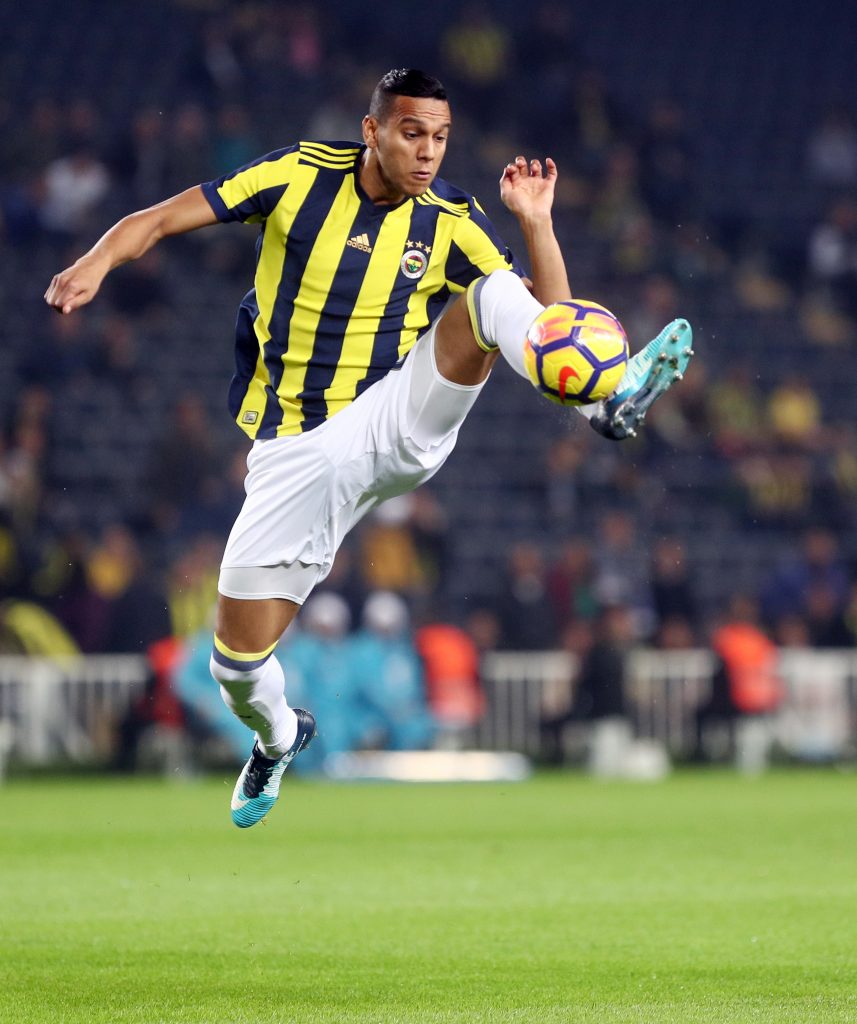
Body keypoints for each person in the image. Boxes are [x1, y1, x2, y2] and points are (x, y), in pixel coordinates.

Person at [45, 68, 692, 828]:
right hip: (294, 452)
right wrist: (95, 260)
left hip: (393, 418)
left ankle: (607, 403)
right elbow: (158, 219)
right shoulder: (296, 176)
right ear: (372, 130)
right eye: (412, 133)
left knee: (489, 297)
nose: (428, 152)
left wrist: (536, 222)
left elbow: (555, 323)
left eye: (440, 137)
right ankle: (278, 739)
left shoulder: (451, 217)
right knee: (235, 667)